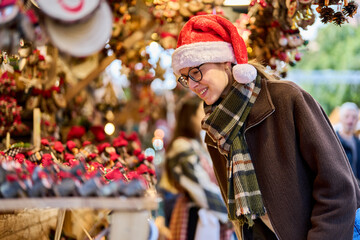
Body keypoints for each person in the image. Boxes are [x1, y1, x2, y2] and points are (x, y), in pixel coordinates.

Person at [171, 14, 360, 240]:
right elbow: (246, 221)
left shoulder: (286, 99)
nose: (192, 84)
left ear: (224, 61)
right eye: (185, 78)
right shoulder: (215, 130)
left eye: (195, 71)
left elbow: (338, 187)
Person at [161, 95, 234, 240]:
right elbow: (199, 186)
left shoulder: (195, 144)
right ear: (191, 117)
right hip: (194, 215)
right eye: (201, 112)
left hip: (205, 212)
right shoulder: (181, 147)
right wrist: (226, 213)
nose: (206, 116)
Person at [336, 102, 360, 184]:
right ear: (340, 118)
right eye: (346, 116)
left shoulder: (358, 142)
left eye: (354, 117)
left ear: (357, 120)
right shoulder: (334, 140)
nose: (350, 121)